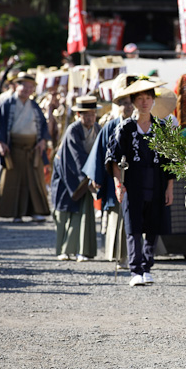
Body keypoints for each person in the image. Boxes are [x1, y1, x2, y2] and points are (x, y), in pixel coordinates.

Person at [106, 76, 175, 286]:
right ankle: (135, 270)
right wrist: (119, 184)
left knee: (153, 225)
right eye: (140, 98)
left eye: (148, 98)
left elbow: (169, 160)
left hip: (157, 181)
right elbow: (114, 158)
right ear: (133, 101)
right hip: (132, 182)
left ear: (153, 101)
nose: (144, 102)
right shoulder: (125, 128)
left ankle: (147, 267)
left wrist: (170, 187)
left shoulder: (162, 127)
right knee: (133, 225)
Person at [83, 75, 136, 267]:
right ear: (117, 106)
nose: (127, 107)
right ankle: (119, 257)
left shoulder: (143, 125)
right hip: (116, 177)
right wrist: (97, 177)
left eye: (130, 102)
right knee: (118, 216)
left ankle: (137, 257)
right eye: (123, 103)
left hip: (138, 177)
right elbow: (99, 152)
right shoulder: (111, 126)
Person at [0, 73, 50, 222]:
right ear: (17, 86)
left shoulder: (34, 105)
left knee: (34, 181)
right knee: (14, 182)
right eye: (25, 86)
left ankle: (35, 211)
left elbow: (43, 125)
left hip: (32, 148)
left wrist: (42, 140)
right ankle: (16, 213)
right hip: (14, 148)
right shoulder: (7, 104)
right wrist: (1, 142)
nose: (28, 90)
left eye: (31, 87)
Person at [51, 96, 102, 261]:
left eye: (92, 114)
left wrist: (96, 172)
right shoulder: (73, 129)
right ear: (79, 115)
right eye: (86, 114)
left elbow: (100, 152)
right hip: (68, 174)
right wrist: (90, 174)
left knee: (83, 214)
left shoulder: (98, 128)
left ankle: (83, 250)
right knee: (65, 212)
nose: (89, 118)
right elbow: (76, 156)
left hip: (85, 175)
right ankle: (63, 250)